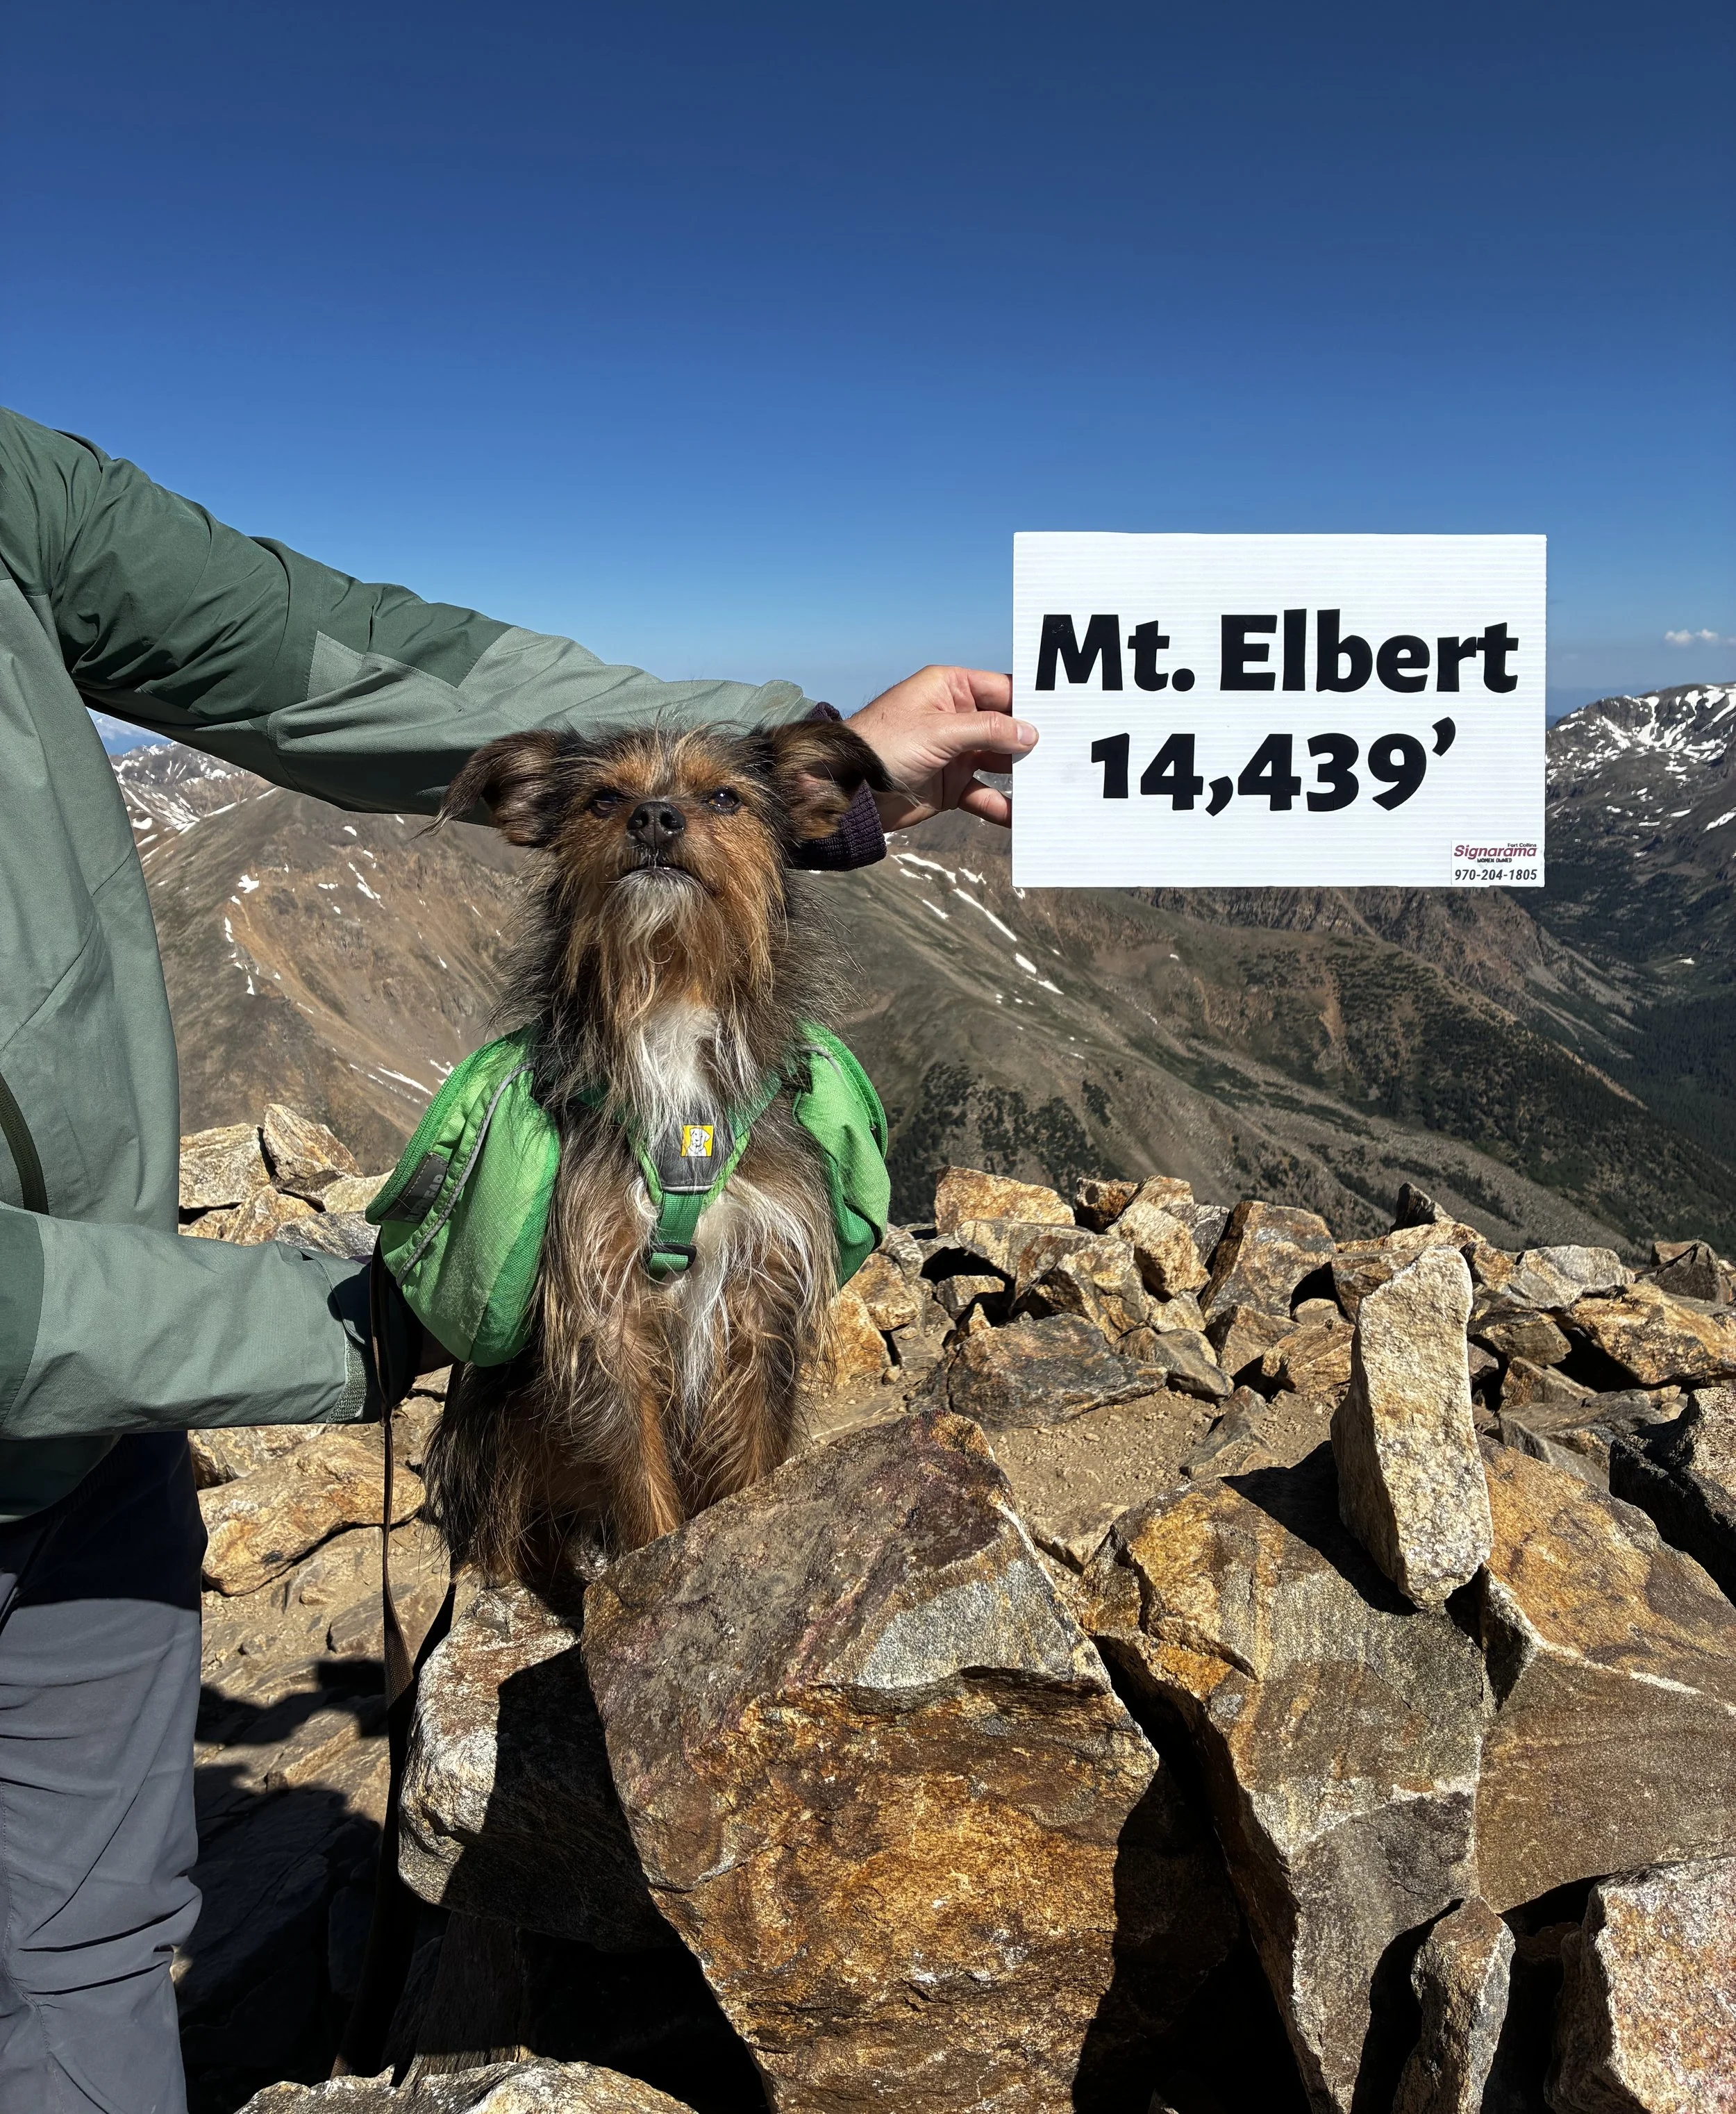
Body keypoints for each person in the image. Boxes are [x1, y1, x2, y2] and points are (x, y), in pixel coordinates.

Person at [0, 403, 1035, 2113]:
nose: (657, 825)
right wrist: (372, 1328)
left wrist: (832, 746)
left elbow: (331, 649)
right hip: (105, 1378)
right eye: (613, 809)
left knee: (88, 1957)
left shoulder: (22, 487)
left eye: (702, 806)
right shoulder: (556, 1093)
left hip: (90, 1461)